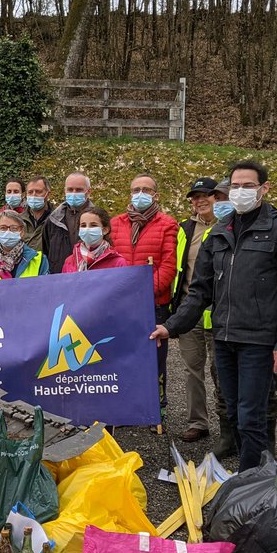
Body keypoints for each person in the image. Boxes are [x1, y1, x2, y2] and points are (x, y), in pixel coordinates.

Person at [152, 161, 277, 472]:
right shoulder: (219, 233)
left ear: (264, 188)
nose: (240, 192)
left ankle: (252, 478)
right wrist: (171, 327)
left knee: (252, 414)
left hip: (259, 339)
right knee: (235, 412)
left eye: (248, 186)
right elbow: (200, 290)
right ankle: (249, 472)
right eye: (235, 186)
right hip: (224, 338)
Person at [111, 173, 178, 412]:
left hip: (153, 303)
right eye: (135, 189)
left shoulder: (167, 224)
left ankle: (156, 408)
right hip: (121, 304)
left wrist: (143, 292)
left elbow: (168, 266)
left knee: (154, 359)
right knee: (122, 356)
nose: (140, 194)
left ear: (155, 195)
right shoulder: (116, 223)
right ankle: (127, 406)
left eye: (146, 190)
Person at [172, 177, 221, 442]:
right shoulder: (185, 228)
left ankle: (228, 425)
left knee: (221, 370)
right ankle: (198, 422)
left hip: (220, 309)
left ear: (218, 197)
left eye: (206, 195)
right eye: (195, 197)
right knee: (192, 370)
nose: (200, 201)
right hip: (190, 308)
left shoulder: (229, 225)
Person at [46, 172, 99, 273]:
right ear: (65, 191)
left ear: (88, 192)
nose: (74, 193)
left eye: (79, 190)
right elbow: (46, 249)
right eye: (70, 189)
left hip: (90, 276)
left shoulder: (98, 219)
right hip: (59, 277)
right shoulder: (53, 220)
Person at [0, 209, 48, 278]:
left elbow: (46, 284)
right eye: (3, 228)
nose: (8, 232)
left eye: (14, 228)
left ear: (22, 231)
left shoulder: (38, 260)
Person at [62, 208, 129, 272]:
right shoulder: (70, 261)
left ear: (105, 230)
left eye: (93, 225)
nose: (87, 229)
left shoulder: (118, 262)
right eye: (83, 225)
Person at [23, 176, 52, 253]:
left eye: (38, 192)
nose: (34, 195)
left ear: (48, 194)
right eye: (30, 192)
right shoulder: (19, 220)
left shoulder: (57, 220)